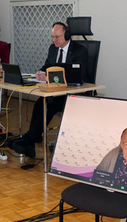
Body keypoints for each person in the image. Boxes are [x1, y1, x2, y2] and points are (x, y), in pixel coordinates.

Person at [8, 22, 88, 158]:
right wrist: (40, 72)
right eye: (52, 37)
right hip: (56, 92)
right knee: (39, 103)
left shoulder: (80, 51)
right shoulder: (53, 48)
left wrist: (51, 77)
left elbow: (78, 75)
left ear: (67, 35)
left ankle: (29, 140)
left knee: (48, 104)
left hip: (72, 93)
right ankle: (31, 140)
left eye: (57, 37)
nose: (54, 40)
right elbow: (47, 65)